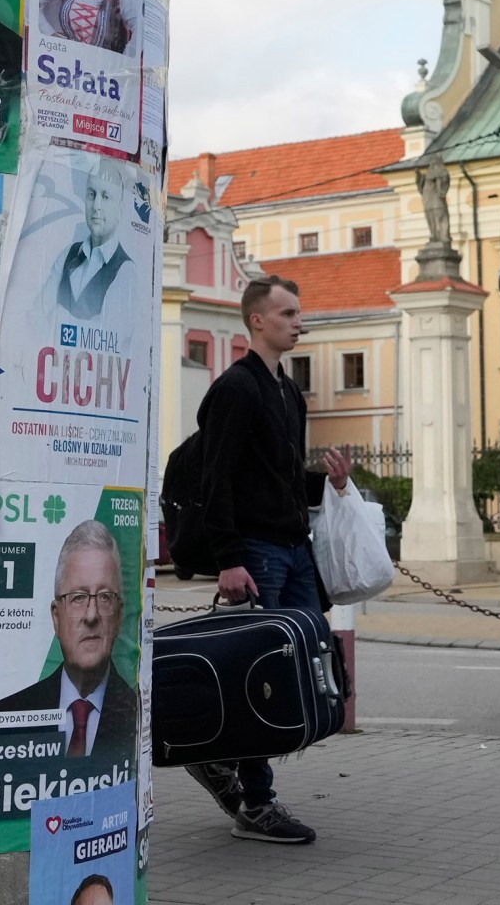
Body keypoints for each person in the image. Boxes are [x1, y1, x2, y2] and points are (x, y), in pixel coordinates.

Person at [181, 275, 347, 846]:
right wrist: (229, 558)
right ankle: (256, 802)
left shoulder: (288, 392)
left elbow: (275, 478)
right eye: (289, 313)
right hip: (255, 553)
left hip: (293, 551)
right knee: (262, 676)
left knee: (307, 668)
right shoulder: (237, 388)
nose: (299, 322)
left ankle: (222, 759)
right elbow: (216, 478)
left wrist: (327, 485)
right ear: (258, 321)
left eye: (299, 313)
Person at [0, 521, 138, 779]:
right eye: (78, 598)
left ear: (119, 617)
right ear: (56, 616)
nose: (92, 615)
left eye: (105, 596)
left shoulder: (137, 713)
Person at [33, 155, 138, 323]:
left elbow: (107, 329)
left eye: (105, 197)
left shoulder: (126, 270)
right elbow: (35, 315)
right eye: (91, 194)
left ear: (120, 210)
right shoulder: (68, 254)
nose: (96, 206)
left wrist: (56, 315)